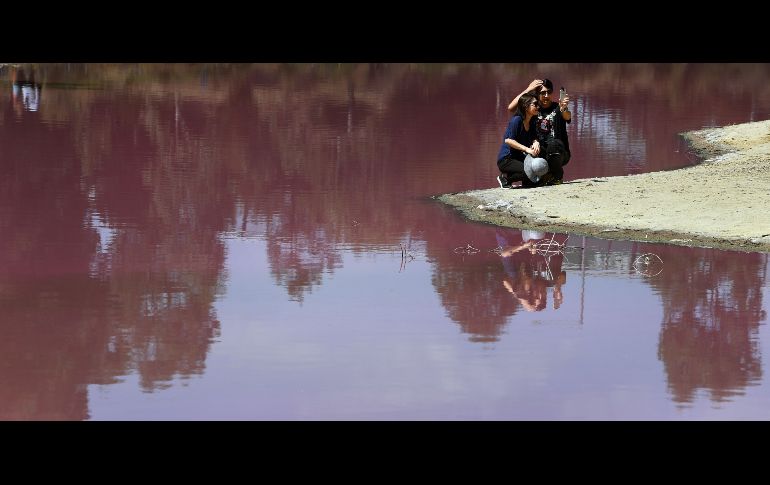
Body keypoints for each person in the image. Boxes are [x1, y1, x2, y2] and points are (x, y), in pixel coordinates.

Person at [508, 78, 572, 185]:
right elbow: (511, 108)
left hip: (559, 153)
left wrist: (564, 108)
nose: (546, 95)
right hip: (540, 153)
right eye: (543, 93)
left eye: (549, 92)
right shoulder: (533, 109)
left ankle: (557, 176)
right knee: (529, 183)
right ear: (537, 94)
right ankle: (544, 175)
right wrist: (528, 89)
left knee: (554, 145)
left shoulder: (558, 108)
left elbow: (567, 116)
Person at [495, 93, 549, 189]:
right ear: (525, 106)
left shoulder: (532, 121)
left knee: (537, 166)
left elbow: (534, 136)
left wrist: (536, 142)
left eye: (538, 104)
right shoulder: (517, 120)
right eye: (535, 104)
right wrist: (527, 149)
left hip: (518, 157)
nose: (538, 106)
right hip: (506, 159)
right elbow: (508, 141)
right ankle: (505, 178)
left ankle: (528, 182)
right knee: (529, 171)